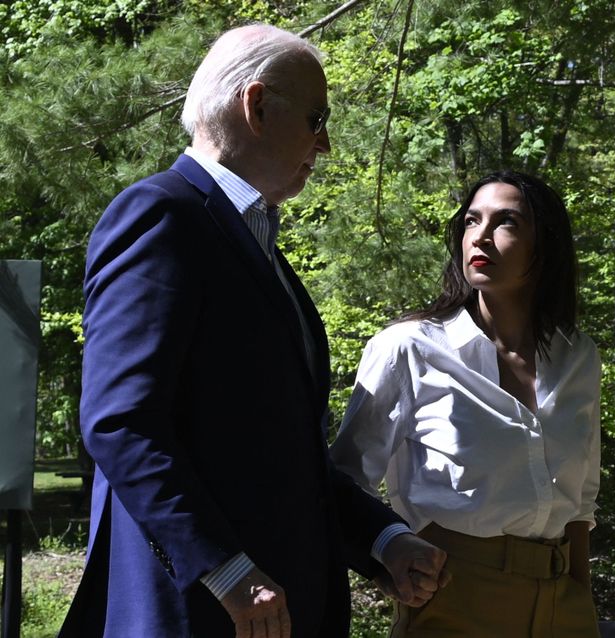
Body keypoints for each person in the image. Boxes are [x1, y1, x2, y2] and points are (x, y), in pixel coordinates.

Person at [59, 23, 447, 638]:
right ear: (258, 106)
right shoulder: (163, 216)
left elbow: (282, 452)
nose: (325, 146)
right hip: (199, 613)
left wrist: (382, 540)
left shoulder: (254, 241)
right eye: (318, 118)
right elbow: (120, 421)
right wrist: (226, 570)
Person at [331, 170, 602, 637]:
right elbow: (343, 480)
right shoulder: (410, 348)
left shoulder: (577, 356)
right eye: (472, 221)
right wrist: (386, 558)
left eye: (506, 222)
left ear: (546, 244)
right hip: (453, 597)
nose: (481, 237)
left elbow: (580, 501)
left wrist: (580, 599)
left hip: (564, 602)